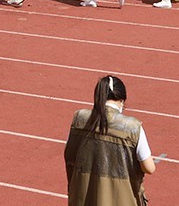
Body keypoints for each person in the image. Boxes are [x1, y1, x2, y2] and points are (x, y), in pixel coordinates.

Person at [64, 75, 155, 206]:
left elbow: (69, 154)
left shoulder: (79, 119)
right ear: (122, 100)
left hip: (84, 198)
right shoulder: (132, 127)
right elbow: (149, 167)